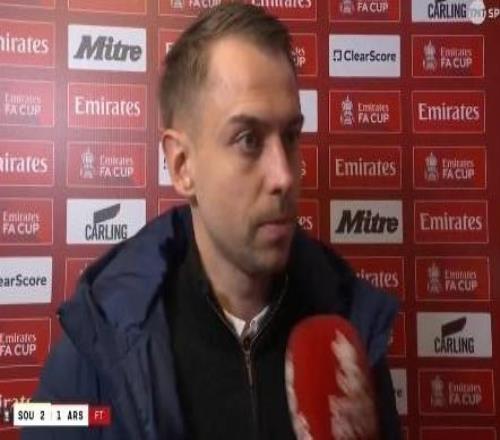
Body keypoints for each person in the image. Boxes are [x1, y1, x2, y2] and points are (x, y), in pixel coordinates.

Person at [22, 3, 401, 439]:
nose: (284, 175)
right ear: (182, 165)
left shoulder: (348, 332)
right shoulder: (99, 340)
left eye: (291, 136)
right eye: (248, 140)